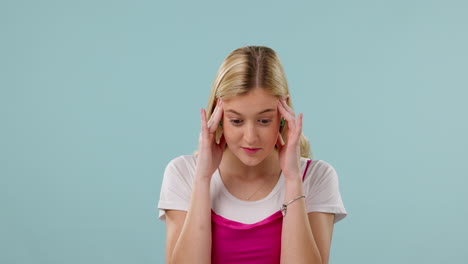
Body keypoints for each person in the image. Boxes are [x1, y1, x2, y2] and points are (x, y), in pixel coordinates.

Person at [157, 46, 347, 264]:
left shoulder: (316, 177)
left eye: (264, 120)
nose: (250, 138)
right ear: (218, 116)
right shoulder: (183, 173)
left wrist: (293, 179)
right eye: (236, 121)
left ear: (283, 115)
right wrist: (203, 179)